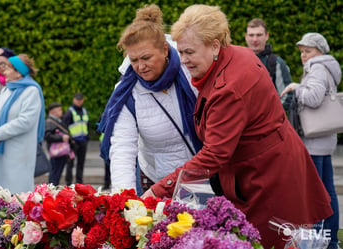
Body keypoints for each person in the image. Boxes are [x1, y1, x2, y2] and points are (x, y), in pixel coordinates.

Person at [141, 5, 332, 249]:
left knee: (267, 242)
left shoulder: (228, 88)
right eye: (181, 52)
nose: (184, 60)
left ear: (214, 46)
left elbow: (215, 154)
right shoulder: (237, 55)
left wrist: (159, 189)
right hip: (272, 163)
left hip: (268, 177)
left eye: (189, 52)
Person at [98, 4, 202, 194]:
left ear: (164, 49)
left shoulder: (191, 69)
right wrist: (124, 200)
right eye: (134, 60)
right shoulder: (126, 91)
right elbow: (123, 147)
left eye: (146, 57)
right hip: (156, 179)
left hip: (201, 173)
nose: (141, 66)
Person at [281, 32, 341, 249]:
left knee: (316, 195)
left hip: (314, 142)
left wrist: (297, 88)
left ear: (319, 51)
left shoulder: (316, 68)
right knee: (328, 191)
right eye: (302, 52)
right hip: (324, 140)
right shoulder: (328, 68)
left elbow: (314, 98)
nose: (304, 56)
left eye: (308, 51)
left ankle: (318, 241)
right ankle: (331, 240)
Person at [0, 54, 45, 194]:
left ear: (18, 73)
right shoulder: (7, 89)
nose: (4, 71)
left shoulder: (31, 91)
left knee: (16, 195)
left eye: (8, 69)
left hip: (18, 154)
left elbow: (26, 121)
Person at [245, 18, 293, 112]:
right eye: (251, 35)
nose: (255, 39)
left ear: (267, 36)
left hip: (268, 124)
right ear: (246, 36)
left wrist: (267, 116)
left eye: (259, 35)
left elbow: (287, 98)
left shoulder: (276, 63)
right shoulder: (237, 61)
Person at [63, 93, 90, 185]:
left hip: (83, 141)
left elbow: (87, 125)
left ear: (83, 100)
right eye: (77, 99)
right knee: (70, 163)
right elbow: (64, 127)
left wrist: (87, 137)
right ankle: (69, 183)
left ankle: (79, 182)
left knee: (81, 163)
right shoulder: (69, 112)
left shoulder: (85, 111)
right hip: (73, 142)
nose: (79, 101)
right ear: (73, 100)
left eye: (80, 100)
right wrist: (70, 139)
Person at [45, 102, 71, 186]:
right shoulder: (50, 122)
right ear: (53, 111)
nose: (61, 111)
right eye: (59, 110)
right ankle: (52, 190)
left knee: (57, 172)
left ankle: (53, 189)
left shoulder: (57, 121)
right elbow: (48, 136)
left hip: (60, 151)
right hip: (57, 152)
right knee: (55, 173)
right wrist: (61, 138)